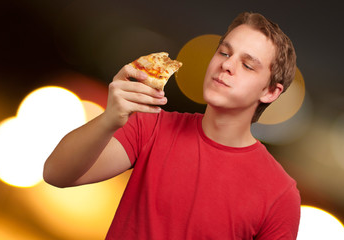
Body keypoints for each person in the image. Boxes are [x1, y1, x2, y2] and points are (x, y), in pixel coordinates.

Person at [43, 12, 301, 239]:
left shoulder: (280, 194)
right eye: (224, 52)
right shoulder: (151, 127)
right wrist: (109, 119)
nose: (226, 64)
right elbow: (56, 174)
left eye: (247, 65)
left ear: (269, 92)